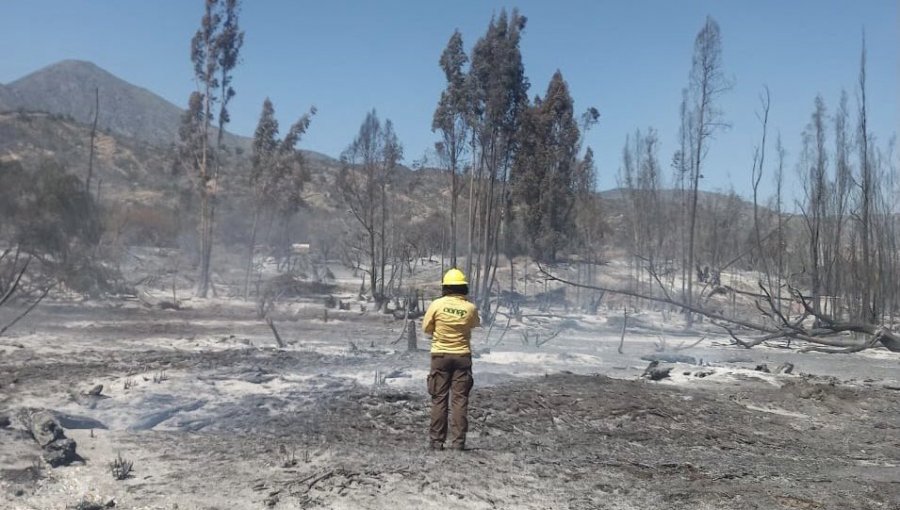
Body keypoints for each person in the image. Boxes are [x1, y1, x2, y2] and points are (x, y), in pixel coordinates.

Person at [422, 268, 480, 451]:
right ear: (464, 287)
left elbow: (426, 328)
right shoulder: (470, 308)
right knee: (459, 400)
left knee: (439, 399)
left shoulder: (436, 305)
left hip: (440, 356)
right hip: (462, 356)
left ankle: (437, 442)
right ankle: (458, 443)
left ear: (445, 287)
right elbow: (475, 324)